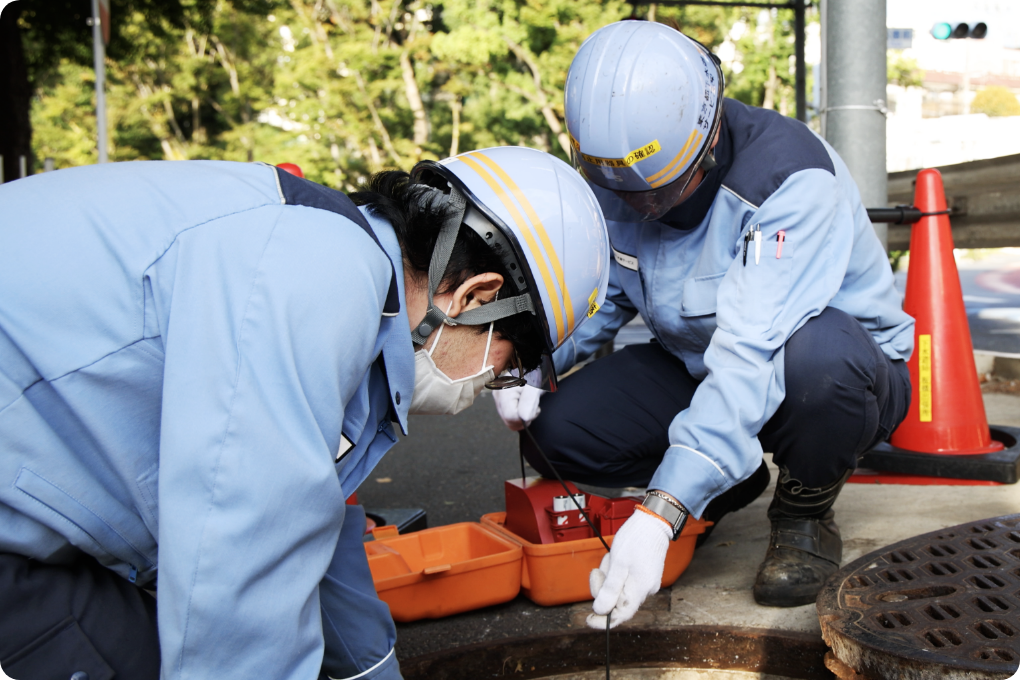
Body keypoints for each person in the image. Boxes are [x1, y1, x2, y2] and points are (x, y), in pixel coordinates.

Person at [0, 147, 610, 679]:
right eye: (506, 361)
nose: (490, 381)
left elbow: (303, 522)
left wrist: (371, 671)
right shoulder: (317, 277)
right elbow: (239, 572)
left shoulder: (345, 274)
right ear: (474, 298)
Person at [494, 20, 914, 626]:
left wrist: (661, 509)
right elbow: (602, 297)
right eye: (622, 195)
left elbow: (751, 351)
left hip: (824, 370)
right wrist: (531, 362)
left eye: (656, 196)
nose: (640, 208)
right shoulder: (621, 175)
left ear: (709, 135)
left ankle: (804, 513)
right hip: (697, 359)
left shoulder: (788, 183)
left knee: (822, 362)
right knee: (556, 427)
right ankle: (722, 483)